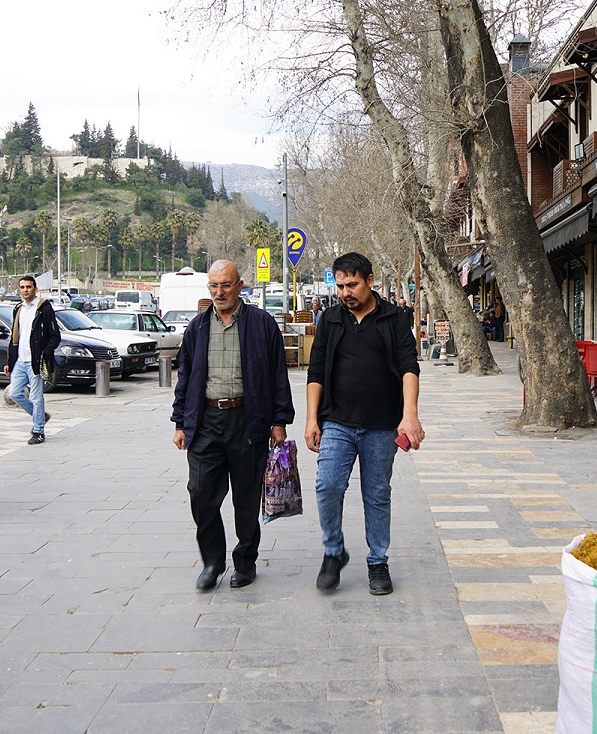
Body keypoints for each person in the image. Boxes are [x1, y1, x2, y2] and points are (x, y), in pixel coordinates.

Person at [305, 252, 425, 596]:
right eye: (341, 285)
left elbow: (408, 367)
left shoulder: (395, 318)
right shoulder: (330, 319)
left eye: (352, 284)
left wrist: (410, 413)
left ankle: (378, 562)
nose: (346, 292)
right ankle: (333, 552)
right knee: (327, 486)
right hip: (337, 423)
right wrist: (312, 419)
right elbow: (315, 373)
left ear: (370, 281)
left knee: (376, 494)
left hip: (381, 425)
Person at [172, 259, 294, 592]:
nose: (219, 292)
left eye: (225, 285)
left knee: (246, 497)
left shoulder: (261, 323)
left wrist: (279, 420)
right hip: (205, 422)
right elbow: (185, 377)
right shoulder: (197, 327)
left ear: (240, 285)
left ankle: (245, 561)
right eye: (213, 286)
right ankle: (213, 561)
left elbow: (277, 374)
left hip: (247, 420)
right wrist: (180, 422)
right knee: (201, 494)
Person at [5, 276, 60, 445]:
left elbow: (55, 335)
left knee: (37, 397)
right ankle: (41, 416)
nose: (25, 290)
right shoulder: (18, 309)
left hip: (36, 360)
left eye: (28, 287)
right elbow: (15, 337)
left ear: (35, 289)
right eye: (22, 287)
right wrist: (10, 361)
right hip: (20, 360)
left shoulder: (44, 308)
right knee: (14, 393)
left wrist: (46, 353)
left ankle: (38, 431)